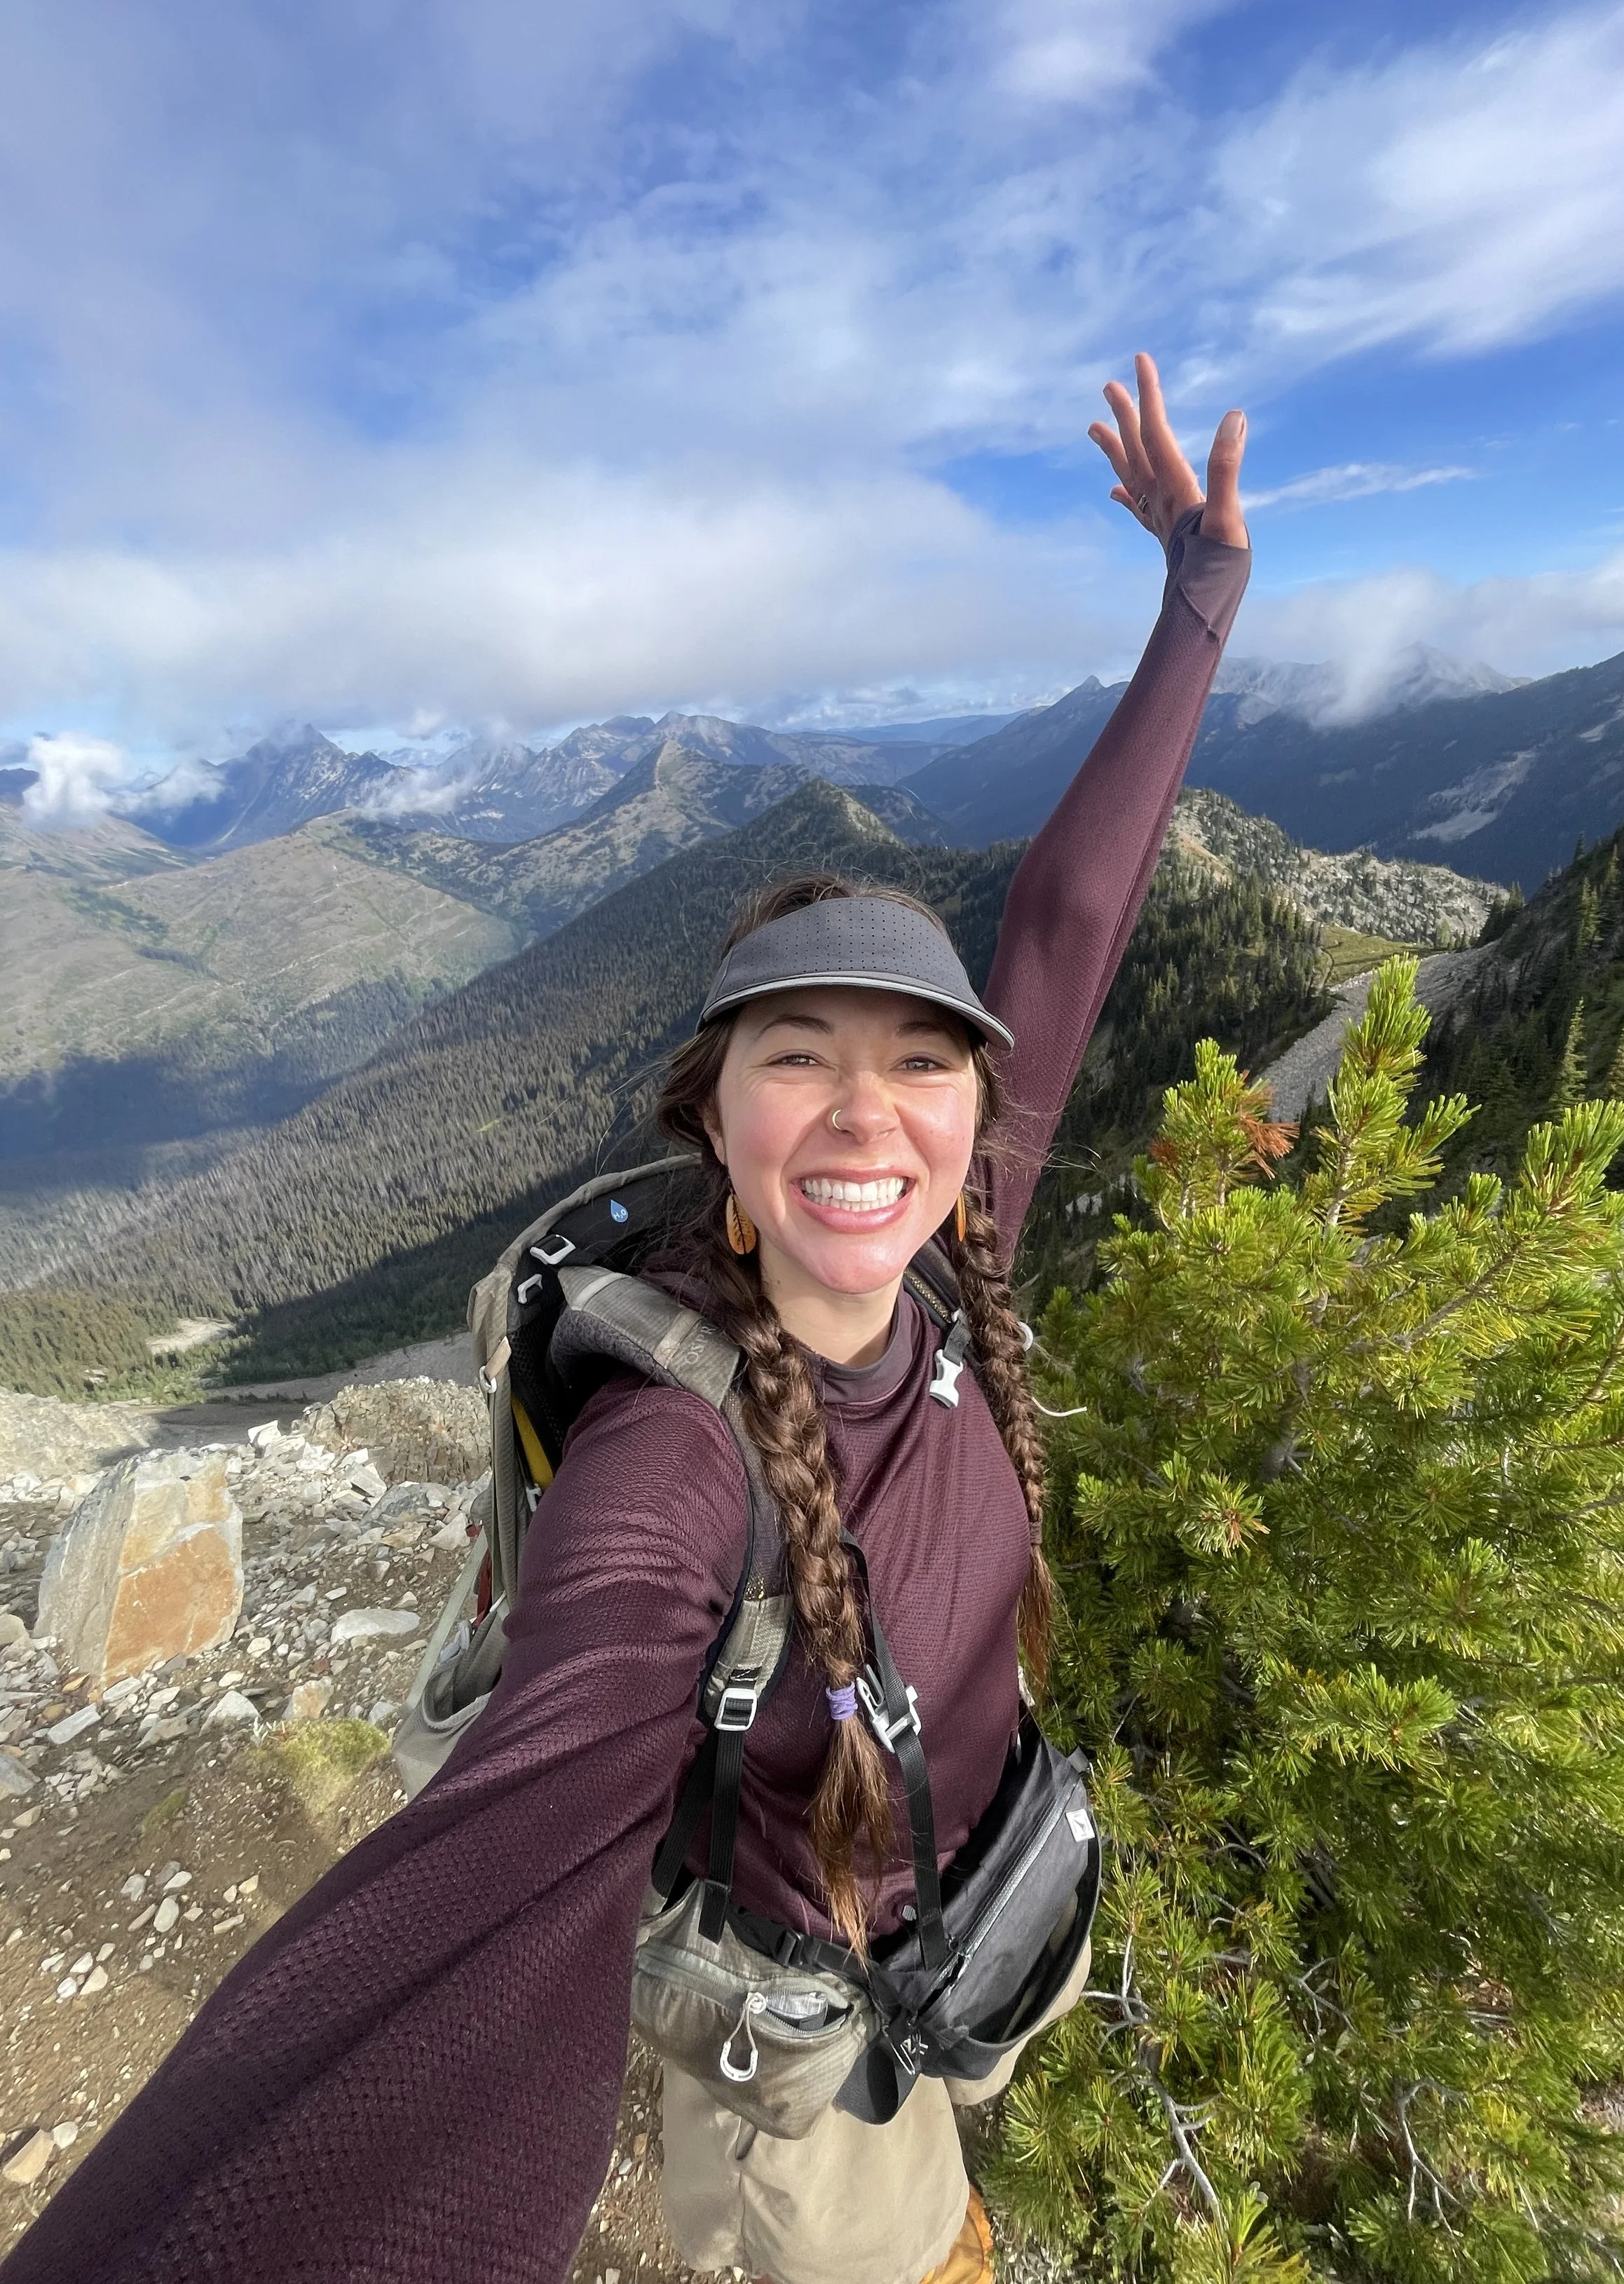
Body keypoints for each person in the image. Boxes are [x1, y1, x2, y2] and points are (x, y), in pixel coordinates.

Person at [0, 355, 1249, 2284]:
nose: (865, 1110)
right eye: (796, 1058)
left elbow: (1065, 930)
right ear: (712, 1120)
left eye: (921, 1063)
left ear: (974, 1105)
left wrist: (1195, 601)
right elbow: (476, 1901)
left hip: (930, 1936)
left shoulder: (945, 1241)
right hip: (802, 2067)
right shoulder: (674, 1463)